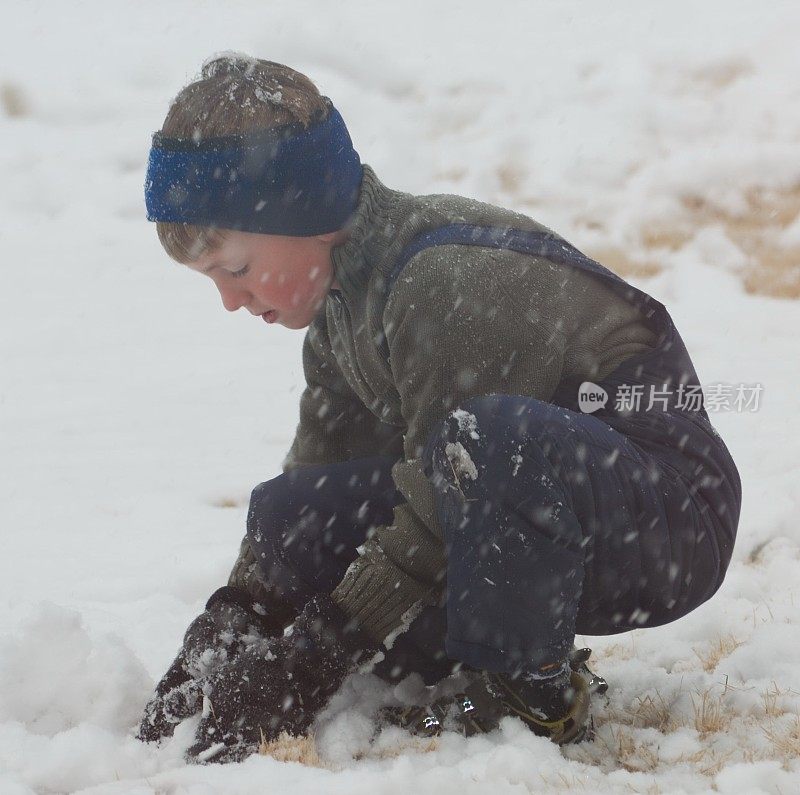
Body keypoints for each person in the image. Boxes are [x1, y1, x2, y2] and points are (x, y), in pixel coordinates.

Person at [138, 54, 742, 763]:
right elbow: (315, 497)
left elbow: (436, 502)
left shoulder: (438, 279)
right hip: (525, 515)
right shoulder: (338, 321)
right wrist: (239, 619)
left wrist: (314, 654)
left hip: (666, 515)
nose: (230, 300)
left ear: (303, 210)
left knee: (480, 441)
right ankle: (456, 652)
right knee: (289, 508)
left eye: (235, 269)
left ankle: (532, 691)